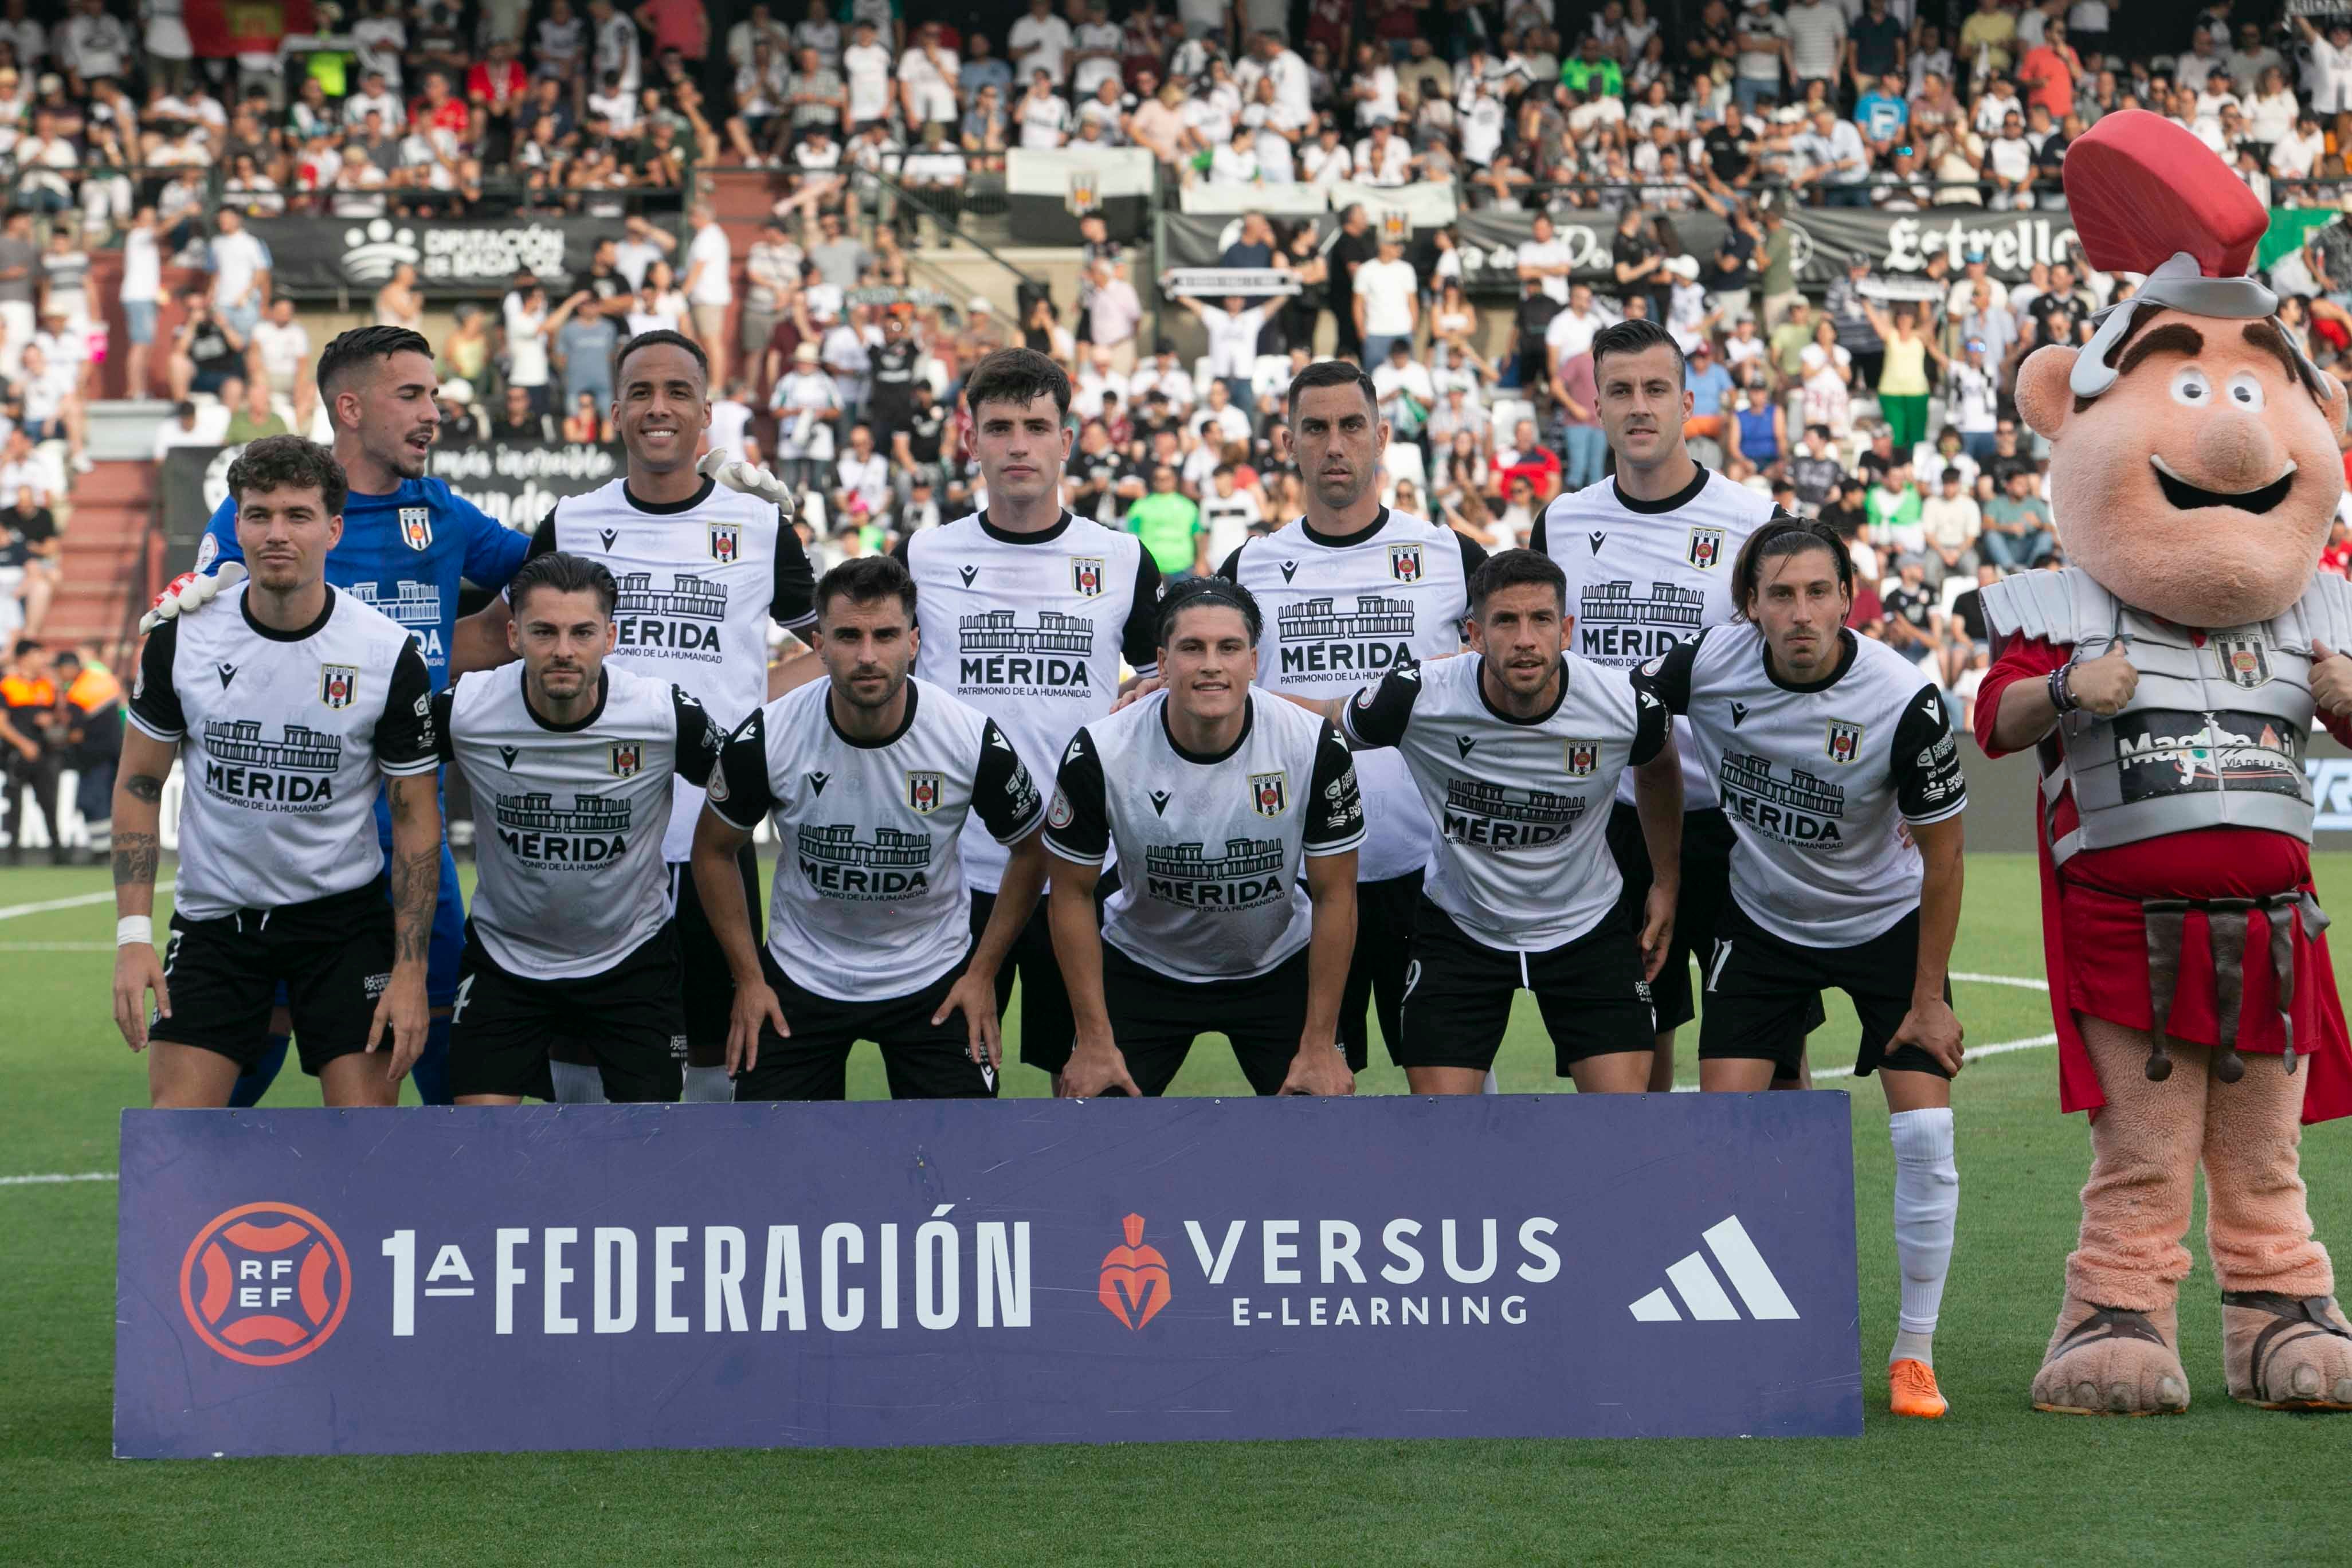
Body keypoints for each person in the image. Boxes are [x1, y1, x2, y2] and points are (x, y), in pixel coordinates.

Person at [1633, 518, 1966, 1419]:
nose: (1801, 612)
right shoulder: (1704, 665)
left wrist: (1929, 995)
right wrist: (1665, 877)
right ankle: (1745, 1334)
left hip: (1886, 923)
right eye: (1780, 594)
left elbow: (1944, 858)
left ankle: (1914, 1351)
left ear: (1848, 598)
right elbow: (1635, 740)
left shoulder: (1905, 698)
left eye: (1819, 592)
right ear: (1749, 606)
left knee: (1926, 1141)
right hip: (1765, 920)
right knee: (1723, 1137)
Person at [152, 325, 535, 1110]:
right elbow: (210, 643)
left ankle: (440, 1223)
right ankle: (202, 1219)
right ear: (350, 407)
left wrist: (679, 508)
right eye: (413, 395)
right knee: (235, 1064)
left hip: (406, 829)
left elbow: (554, 583)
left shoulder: (443, 513)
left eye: (434, 393)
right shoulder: (265, 522)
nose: (436, 411)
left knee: (435, 1052)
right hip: (279, 840)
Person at [462, 329, 819, 1103]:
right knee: (585, 1085)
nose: (660, 408)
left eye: (678, 392)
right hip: (590, 848)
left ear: (707, 413)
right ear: (616, 411)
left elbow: (840, 649)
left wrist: (760, 725)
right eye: (644, 394)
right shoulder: (572, 521)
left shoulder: (759, 525)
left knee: (721, 1074)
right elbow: (498, 638)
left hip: (711, 843)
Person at [860, 348, 1162, 1090]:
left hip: (1081, 870)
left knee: (1088, 1090)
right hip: (956, 876)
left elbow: (1166, 676)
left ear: (1068, 439)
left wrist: (1146, 696)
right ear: (971, 442)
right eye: (999, 428)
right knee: (956, 1100)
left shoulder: (1121, 558)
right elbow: (861, 657)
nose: (1018, 445)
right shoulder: (924, 555)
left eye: (1036, 426)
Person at [111, 437, 441, 1109]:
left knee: (369, 1146)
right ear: (236, 526)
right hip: (215, 922)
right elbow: (140, 785)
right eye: (259, 515)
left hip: (342, 926)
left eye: (298, 515)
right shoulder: (183, 637)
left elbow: (414, 819)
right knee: (179, 1140)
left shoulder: (384, 652)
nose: (277, 534)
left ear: (333, 528)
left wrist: (410, 970)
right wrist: (132, 937)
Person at [1530, 315, 1809, 1093]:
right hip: (1612, 821)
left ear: (1690, 401)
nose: (1639, 406)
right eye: (1620, 391)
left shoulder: (1756, 521)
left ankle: (1781, 1215)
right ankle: (1643, 1217)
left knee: (1770, 1066)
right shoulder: (1562, 521)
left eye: (1656, 389)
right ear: (1597, 408)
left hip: (1735, 820)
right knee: (1630, 1075)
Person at [1209, 359, 1485, 1073]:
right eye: (1317, 428)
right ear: (1290, 442)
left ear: (1382, 436)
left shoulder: (1452, 556)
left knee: (1454, 1110)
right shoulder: (1249, 568)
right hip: (1297, 880)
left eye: (1352, 426)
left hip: (1430, 877)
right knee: (1312, 1109)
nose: (1336, 445)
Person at [695, 555, 1049, 1099]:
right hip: (799, 974)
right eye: (848, 636)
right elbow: (713, 851)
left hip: (934, 976)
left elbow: (1032, 850)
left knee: (959, 1168)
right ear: (818, 644)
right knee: (774, 1168)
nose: (867, 656)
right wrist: (749, 978)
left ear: (913, 642)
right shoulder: (769, 734)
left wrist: (981, 975)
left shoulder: (966, 737)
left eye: (885, 635)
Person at [1332, 548, 1680, 1093]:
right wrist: (1237, 701)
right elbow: (1326, 728)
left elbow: (1659, 764)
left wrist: (1666, 878)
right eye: (1505, 621)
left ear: (1566, 630)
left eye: (1541, 619)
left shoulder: (1625, 705)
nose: (1525, 639)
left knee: (1620, 1124)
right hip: (1461, 924)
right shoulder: (1417, 696)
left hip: (1585, 925)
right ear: (1473, 633)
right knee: (1443, 1130)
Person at [1048, 578, 1362, 1098]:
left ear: (1254, 662)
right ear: (1163, 663)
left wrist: (1320, 1042)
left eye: (1229, 648)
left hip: (1278, 964)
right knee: (1094, 1130)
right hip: (1144, 963)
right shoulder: (1100, 749)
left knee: (1322, 1129)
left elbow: (1336, 894)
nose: (1212, 664)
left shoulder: (1312, 742)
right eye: (1192, 648)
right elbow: (1071, 892)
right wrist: (1094, 1039)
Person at [434, 550, 725, 1104]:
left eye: (582, 632)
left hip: (632, 956)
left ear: (610, 637)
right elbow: (374, 753)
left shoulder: (663, 715)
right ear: (514, 635)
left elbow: (751, 788)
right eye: (544, 632)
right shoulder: (466, 708)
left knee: (651, 1148)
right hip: (505, 957)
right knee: (476, 1145)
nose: (564, 650)